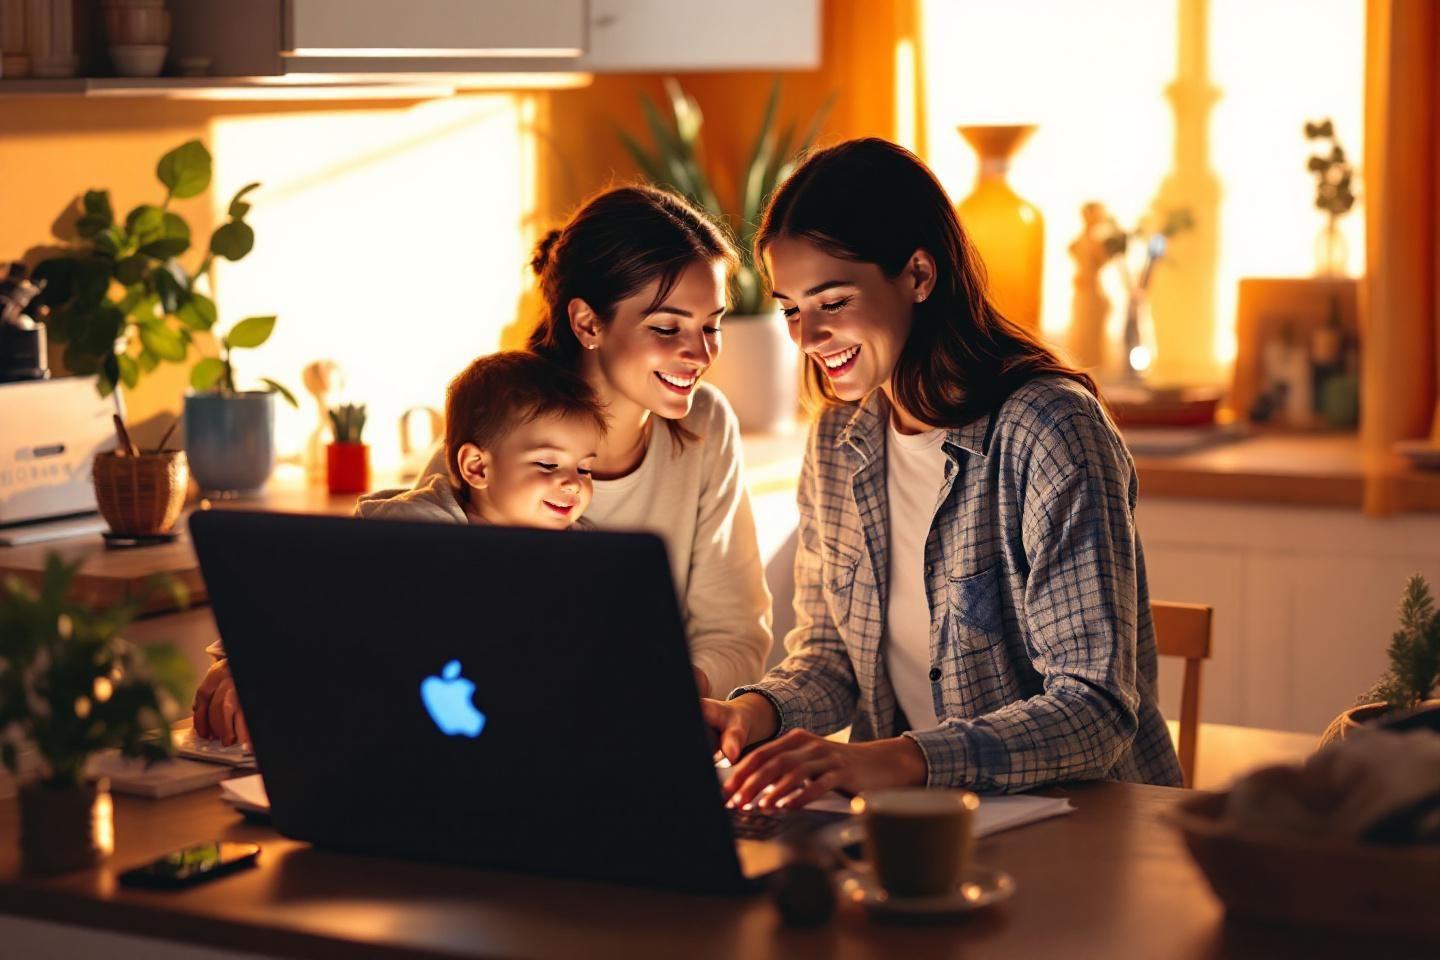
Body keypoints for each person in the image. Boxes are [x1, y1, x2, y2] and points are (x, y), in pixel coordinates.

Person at [194, 186, 773, 745]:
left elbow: (734, 635)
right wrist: (250, 657)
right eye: (667, 327)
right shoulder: (503, 424)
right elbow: (368, 579)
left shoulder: (705, 427)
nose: (700, 354)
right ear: (588, 323)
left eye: (712, 325)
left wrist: (640, 697)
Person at [706, 138, 1183, 809]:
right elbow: (831, 657)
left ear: (919, 276)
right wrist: (754, 711)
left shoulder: (1050, 429)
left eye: (833, 301)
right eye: (791, 308)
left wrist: (900, 760)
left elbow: (1094, 708)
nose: (807, 338)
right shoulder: (841, 441)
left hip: (1085, 823)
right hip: (918, 825)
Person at [355, 351, 605, 529]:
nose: (574, 484)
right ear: (477, 466)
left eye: (584, 469)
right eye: (548, 464)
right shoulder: (418, 527)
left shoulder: (582, 544)